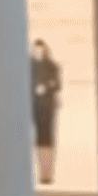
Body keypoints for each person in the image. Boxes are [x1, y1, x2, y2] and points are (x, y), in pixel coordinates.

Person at [32, 39, 62, 186]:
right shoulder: (27, 66)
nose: (38, 52)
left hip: (46, 108)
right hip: (30, 107)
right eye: (35, 49)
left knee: (45, 141)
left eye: (41, 49)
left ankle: (46, 174)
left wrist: (46, 87)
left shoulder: (51, 66)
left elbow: (57, 84)